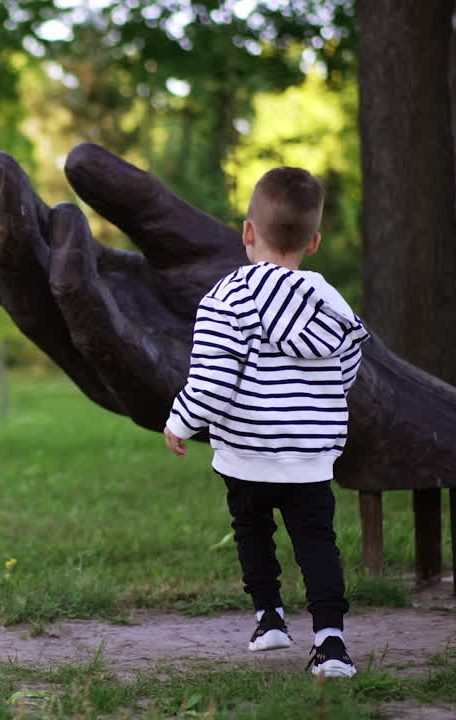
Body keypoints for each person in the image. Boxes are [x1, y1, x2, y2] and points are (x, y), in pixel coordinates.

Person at [162, 166, 369, 679]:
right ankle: (331, 644)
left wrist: (180, 422)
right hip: (311, 455)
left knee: (251, 530)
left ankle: (270, 618)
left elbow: (212, 379)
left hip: (248, 452)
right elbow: (347, 369)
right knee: (317, 542)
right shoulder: (330, 302)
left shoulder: (227, 298)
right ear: (314, 241)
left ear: (248, 233)